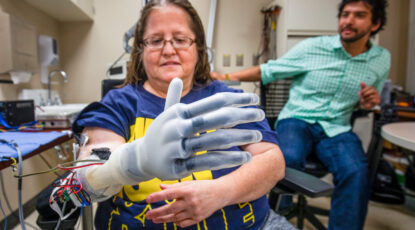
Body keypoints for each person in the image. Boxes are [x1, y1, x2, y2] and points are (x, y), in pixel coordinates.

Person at [71, 0, 296, 229]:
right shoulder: (118, 103)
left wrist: (220, 193)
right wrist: (136, 160)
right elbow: (86, 179)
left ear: (198, 48)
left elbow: (272, 161)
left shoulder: (225, 98)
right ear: (140, 50)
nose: (169, 50)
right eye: (156, 41)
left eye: (180, 40)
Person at [211, 0, 390, 229]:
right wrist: (225, 78)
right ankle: (274, 215)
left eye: (359, 15)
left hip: (337, 127)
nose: (348, 20)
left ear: (375, 24)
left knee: (356, 172)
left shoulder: (381, 59)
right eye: (345, 14)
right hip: (297, 120)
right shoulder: (314, 47)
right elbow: (269, 70)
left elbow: (368, 101)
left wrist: (369, 102)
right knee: (285, 159)